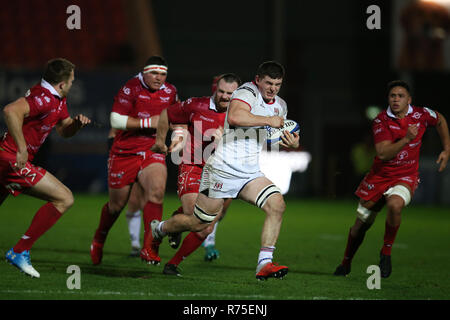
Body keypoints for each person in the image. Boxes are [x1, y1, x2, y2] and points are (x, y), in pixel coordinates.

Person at [151, 61, 300, 280]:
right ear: (258, 80)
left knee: (277, 205)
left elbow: (268, 135)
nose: (272, 89)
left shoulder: (280, 106)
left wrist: (290, 142)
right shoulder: (246, 92)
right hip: (222, 169)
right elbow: (235, 117)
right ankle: (160, 228)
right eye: (268, 83)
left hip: (249, 173)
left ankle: (264, 264)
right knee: (198, 223)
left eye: (277, 84)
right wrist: (270, 120)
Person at [334, 80, 450, 278]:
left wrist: (447, 149)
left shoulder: (421, 114)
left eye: (400, 96)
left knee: (395, 205)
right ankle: (346, 263)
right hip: (379, 177)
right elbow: (383, 153)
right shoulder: (381, 121)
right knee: (360, 225)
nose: (396, 100)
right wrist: (406, 139)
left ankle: (385, 252)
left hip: (405, 175)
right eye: (392, 96)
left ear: (409, 99)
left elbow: (440, 119)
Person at [1, 58, 91, 278]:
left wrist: (76, 125)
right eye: (72, 80)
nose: (73, 83)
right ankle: (19, 251)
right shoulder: (44, 98)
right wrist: (22, 148)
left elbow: (63, 130)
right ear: (62, 84)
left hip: (7, 159)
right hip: (13, 159)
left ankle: (20, 251)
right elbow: (10, 110)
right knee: (65, 198)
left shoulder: (57, 99)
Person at [90, 56, 180, 265]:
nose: (159, 78)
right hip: (125, 152)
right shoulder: (130, 88)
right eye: (154, 73)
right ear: (144, 72)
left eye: (163, 74)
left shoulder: (171, 91)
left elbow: (178, 118)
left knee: (157, 191)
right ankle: (99, 238)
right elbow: (116, 120)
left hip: (153, 149)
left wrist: (178, 138)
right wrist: (151, 122)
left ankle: (149, 247)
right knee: (116, 205)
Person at [150, 73, 241, 275]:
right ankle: (160, 230)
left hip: (221, 173)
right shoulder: (196, 105)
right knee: (196, 219)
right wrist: (160, 141)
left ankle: (172, 263)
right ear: (215, 89)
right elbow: (167, 114)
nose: (225, 97)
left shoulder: (241, 116)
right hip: (193, 167)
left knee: (207, 227)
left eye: (230, 93)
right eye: (222, 92)